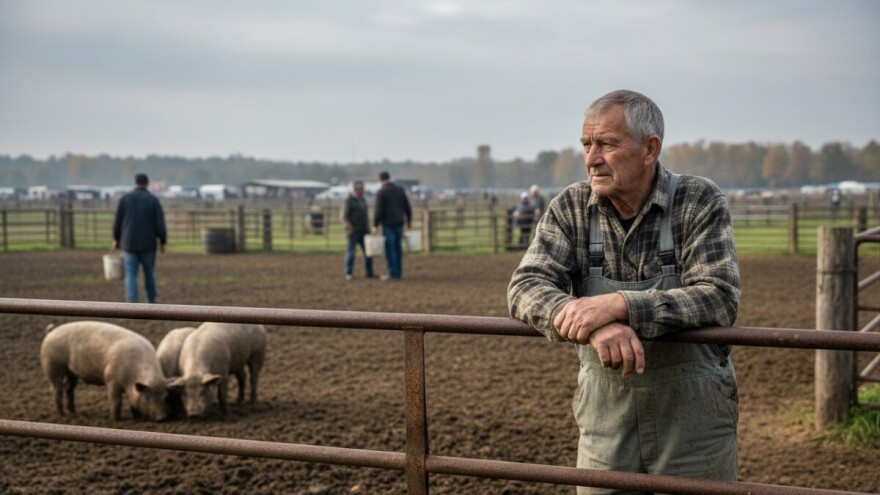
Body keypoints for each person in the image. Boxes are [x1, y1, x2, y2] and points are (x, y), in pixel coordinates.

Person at [507, 90, 741, 495]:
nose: (592, 158)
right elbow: (526, 286)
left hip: (694, 427)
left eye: (607, 144)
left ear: (650, 149)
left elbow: (718, 296)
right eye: (586, 144)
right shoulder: (571, 207)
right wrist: (593, 324)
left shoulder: (696, 200)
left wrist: (620, 305)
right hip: (605, 425)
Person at [112, 173, 167, 303]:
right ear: (147, 184)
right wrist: (163, 241)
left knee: (130, 273)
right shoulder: (153, 200)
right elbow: (160, 223)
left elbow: (118, 221)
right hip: (148, 243)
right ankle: (151, 299)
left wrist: (116, 238)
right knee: (149, 272)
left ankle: (131, 300)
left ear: (135, 183)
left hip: (129, 242)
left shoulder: (125, 199)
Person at [372, 171, 412, 280]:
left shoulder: (381, 192)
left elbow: (378, 210)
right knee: (398, 248)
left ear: (380, 180)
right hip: (399, 223)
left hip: (388, 224)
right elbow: (407, 206)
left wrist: (375, 225)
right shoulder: (400, 190)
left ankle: (392, 273)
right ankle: (398, 272)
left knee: (390, 249)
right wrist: (409, 220)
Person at [342, 180, 374, 280]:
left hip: (364, 231)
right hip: (353, 231)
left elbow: (365, 216)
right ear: (356, 189)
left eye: (363, 189)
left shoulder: (363, 200)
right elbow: (345, 216)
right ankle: (348, 272)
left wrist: (368, 227)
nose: (362, 191)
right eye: (361, 189)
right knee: (351, 252)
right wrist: (348, 227)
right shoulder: (349, 201)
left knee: (368, 252)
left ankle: (369, 272)